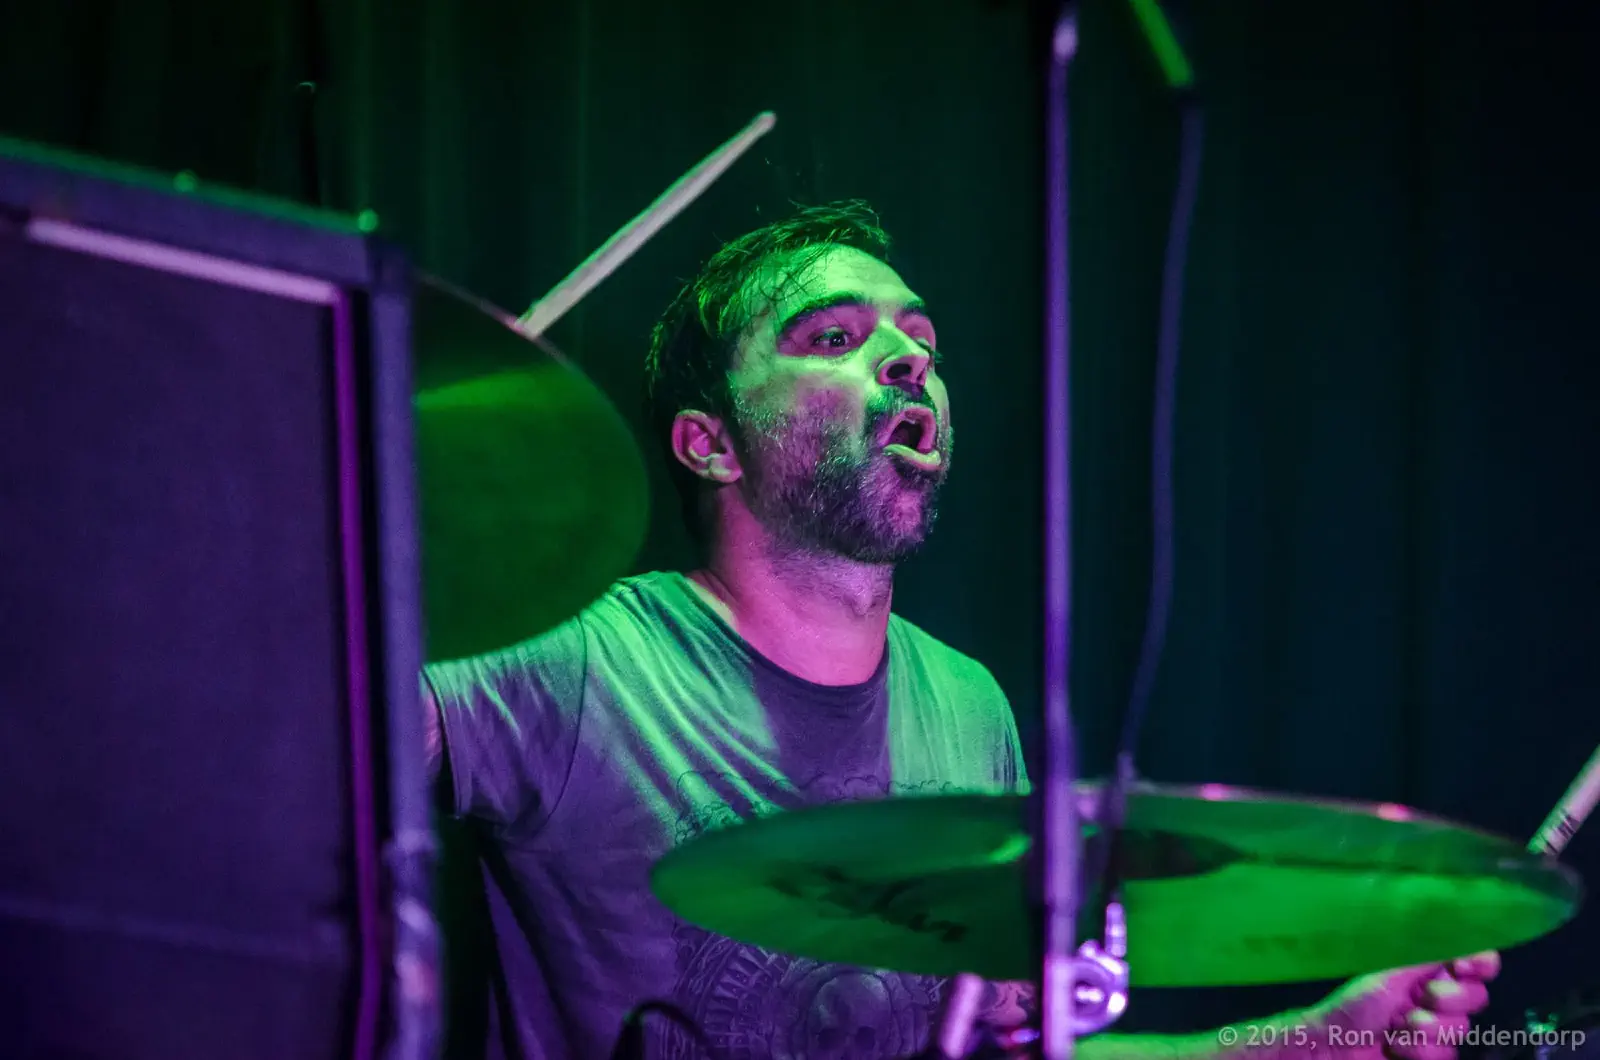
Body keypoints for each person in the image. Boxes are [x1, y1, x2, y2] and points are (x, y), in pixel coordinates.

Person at [422, 200, 1498, 1059]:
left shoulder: (968, 707)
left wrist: (1319, 1039)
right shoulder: (579, 659)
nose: (906, 359)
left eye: (920, 341)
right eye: (834, 337)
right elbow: (332, 714)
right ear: (711, 443)